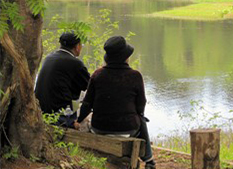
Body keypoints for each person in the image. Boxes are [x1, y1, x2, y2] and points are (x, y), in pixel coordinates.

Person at [75, 36, 156, 169]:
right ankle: (149, 161)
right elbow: (141, 105)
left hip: (99, 127)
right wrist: (137, 115)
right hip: (128, 128)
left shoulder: (97, 75)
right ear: (125, 57)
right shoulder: (135, 76)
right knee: (141, 118)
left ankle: (149, 160)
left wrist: (78, 120)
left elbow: (87, 104)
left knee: (139, 117)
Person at [35, 31, 90, 128]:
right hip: (60, 116)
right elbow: (89, 86)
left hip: (41, 110)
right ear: (77, 47)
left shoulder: (49, 58)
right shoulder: (75, 63)